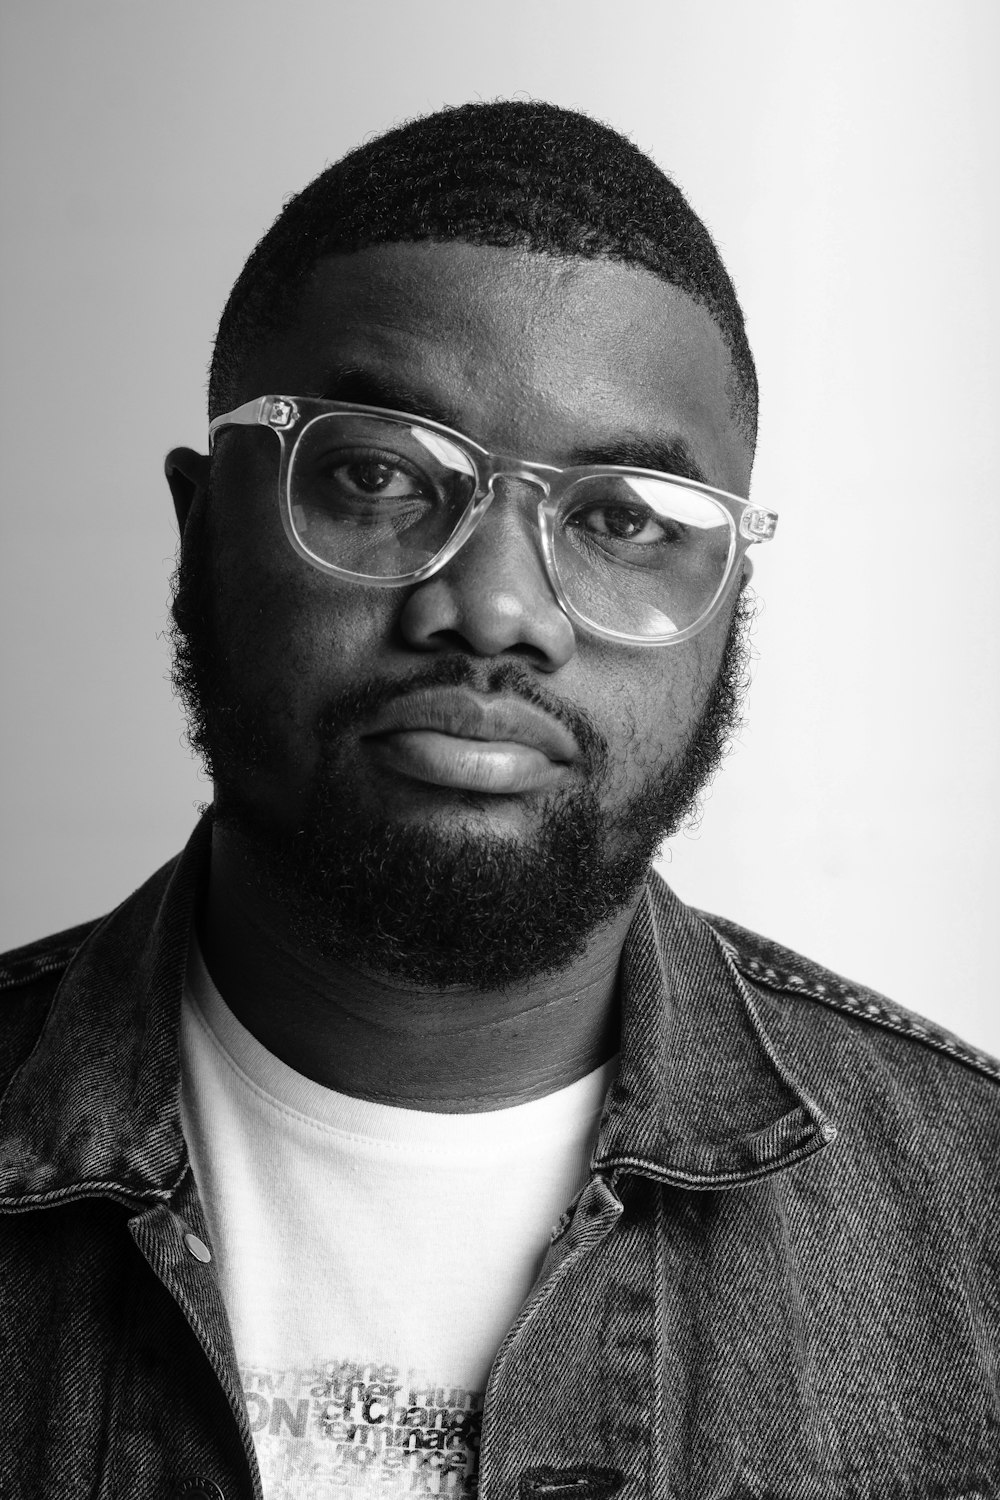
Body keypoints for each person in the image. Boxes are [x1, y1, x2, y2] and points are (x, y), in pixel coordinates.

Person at [0, 100, 996, 1500]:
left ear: (726, 609)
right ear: (200, 528)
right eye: (380, 477)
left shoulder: (974, 1223)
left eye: (624, 517)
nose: (497, 610)